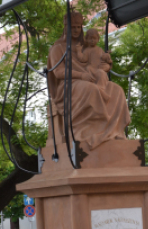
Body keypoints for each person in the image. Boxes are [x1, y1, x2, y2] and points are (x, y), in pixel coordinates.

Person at [47, 12, 130, 150]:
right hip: (69, 85)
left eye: (78, 27)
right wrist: (81, 75)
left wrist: (107, 65)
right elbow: (58, 72)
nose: (75, 30)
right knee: (91, 90)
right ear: (66, 28)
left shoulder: (88, 46)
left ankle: (113, 133)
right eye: (72, 27)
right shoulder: (57, 48)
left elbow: (99, 62)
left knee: (117, 90)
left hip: (93, 80)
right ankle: (92, 132)